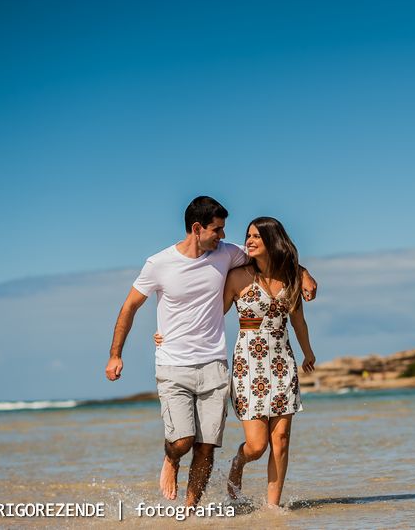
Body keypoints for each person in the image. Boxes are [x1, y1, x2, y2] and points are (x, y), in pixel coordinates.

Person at [105, 197, 317, 507]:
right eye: (218, 230)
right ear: (197, 228)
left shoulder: (226, 254)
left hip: (240, 365)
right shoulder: (163, 264)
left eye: (225, 231)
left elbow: (278, 256)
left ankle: (199, 512)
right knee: (202, 443)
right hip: (207, 364)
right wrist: (123, 350)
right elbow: (137, 306)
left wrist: (304, 273)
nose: (226, 237)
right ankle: (177, 458)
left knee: (225, 446)